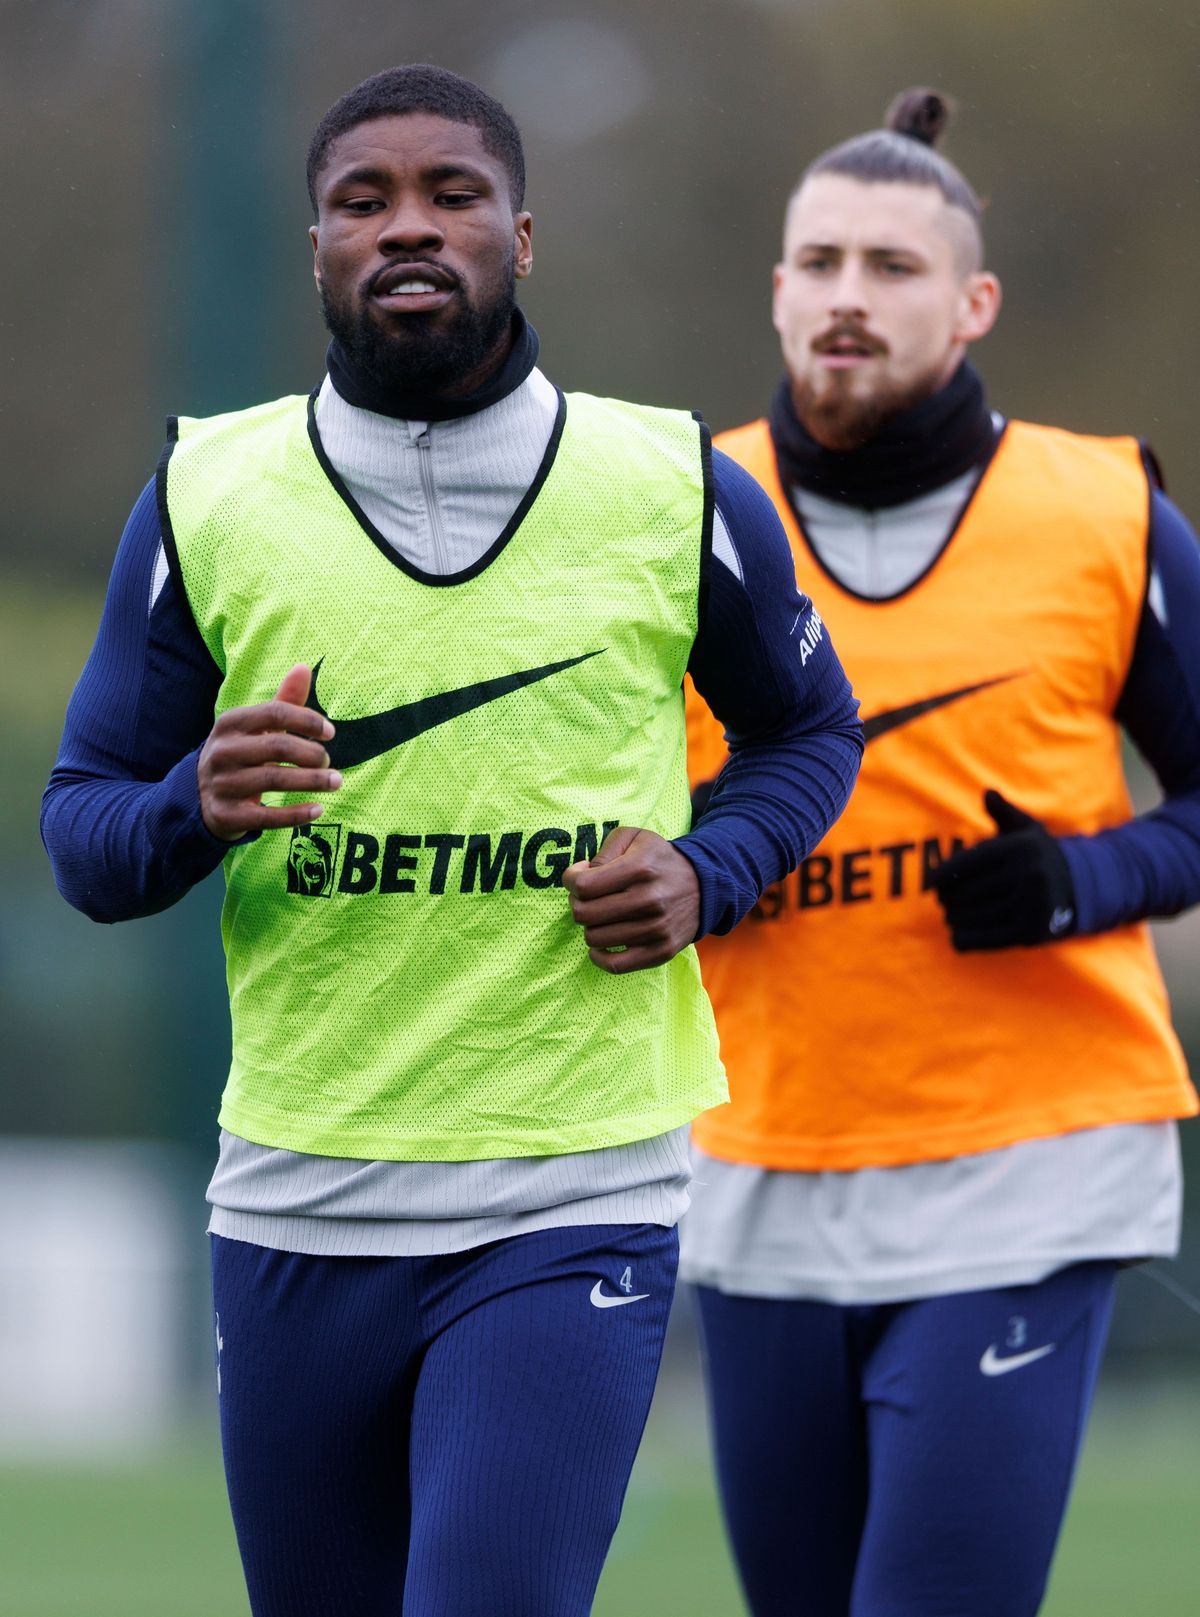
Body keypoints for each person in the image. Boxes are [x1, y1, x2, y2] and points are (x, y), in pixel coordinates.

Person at [41, 64, 861, 1617]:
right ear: (316, 248)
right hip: (296, 1199)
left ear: (523, 236)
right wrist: (191, 803)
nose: (408, 226)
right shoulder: (207, 492)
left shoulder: (673, 480)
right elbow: (85, 837)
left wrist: (709, 870)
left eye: (452, 195)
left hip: (572, 1190)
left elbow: (813, 734)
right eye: (365, 201)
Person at [682, 88, 1200, 1617]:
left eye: (892, 267)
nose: (849, 295)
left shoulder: (1107, 512)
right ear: (776, 287)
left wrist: (1082, 878)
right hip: (758, 1159)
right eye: (821, 260)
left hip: (1029, 1165)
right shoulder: (675, 514)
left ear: (973, 303)